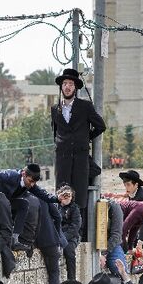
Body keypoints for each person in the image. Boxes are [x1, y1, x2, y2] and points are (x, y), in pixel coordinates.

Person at [50, 68, 106, 231]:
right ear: (61, 87)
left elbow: (101, 125)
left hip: (80, 160)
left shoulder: (85, 106)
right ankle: (60, 229)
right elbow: (55, 132)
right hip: (62, 159)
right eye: (65, 84)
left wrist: (85, 138)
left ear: (75, 87)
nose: (67, 87)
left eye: (71, 84)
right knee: (61, 193)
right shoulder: (55, 108)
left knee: (79, 196)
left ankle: (78, 232)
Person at [59, 184, 81, 281]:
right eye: (65, 195)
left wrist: (63, 238)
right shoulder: (56, 206)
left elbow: (75, 227)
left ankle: (72, 279)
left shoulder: (74, 209)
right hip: (57, 234)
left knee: (69, 252)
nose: (67, 198)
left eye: (69, 196)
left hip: (70, 237)